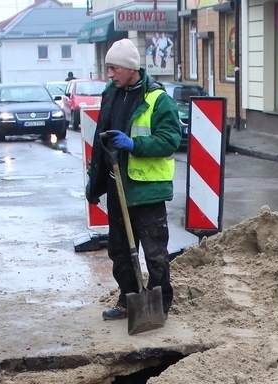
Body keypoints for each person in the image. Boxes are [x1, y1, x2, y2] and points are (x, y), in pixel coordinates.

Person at [85, 38, 181, 321]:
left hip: (147, 191)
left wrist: (135, 144)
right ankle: (128, 300)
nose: (110, 74)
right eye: (108, 69)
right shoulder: (111, 94)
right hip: (118, 187)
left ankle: (159, 304)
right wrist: (96, 182)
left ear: (130, 68)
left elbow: (170, 140)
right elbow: (100, 138)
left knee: (155, 254)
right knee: (120, 252)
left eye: (114, 68)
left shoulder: (157, 99)